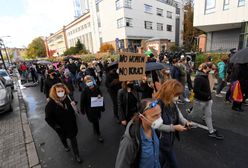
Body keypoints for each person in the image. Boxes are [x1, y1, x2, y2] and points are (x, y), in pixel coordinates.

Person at [154, 79, 192, 168]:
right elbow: (156, 125)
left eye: (178, 95)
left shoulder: (172, 102)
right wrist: (174, 128)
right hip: (162, 141)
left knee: (162, 159)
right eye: (176, 95)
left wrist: (186, 122)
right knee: (172, 163)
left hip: (169, 140)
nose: (178, 98)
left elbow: (178, 114)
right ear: (168, 92)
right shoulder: (158, 105)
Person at [115, 98, 162, 168]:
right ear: (142, 117)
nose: (159, 119)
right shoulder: (130, 141)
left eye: (160, 114)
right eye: (155, 116)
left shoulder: (155, 128)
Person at [45, 83, 82, 163]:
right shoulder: (50, 104)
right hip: (61, 127)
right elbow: (48, 118)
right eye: (58, 91)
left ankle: (77, 155)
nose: (61, 92)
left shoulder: (67, 97)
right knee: (63, 138)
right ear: (55, 92)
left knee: (73, 140)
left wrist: (74, 103)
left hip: (71, 124)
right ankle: (65, 145)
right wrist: (56, 126)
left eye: (62, 90)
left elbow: (71, 103)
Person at [188, 63, 224, 139]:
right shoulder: (199, 77)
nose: (211, 70)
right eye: (210, 68)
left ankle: (211, 132)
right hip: (200, 101)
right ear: (205, 68)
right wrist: (206, 95)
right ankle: (185, 122)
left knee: (208, 116)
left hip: (207, 100)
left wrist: (209, 97)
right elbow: (196, 90)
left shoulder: (206, 76)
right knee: (193, 115)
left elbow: (207, 88)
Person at [80, 75, 105, 142]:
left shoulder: (96, 88)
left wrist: (100, 96)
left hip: (97, 107)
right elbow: (82, 101)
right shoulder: (85, 91)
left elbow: (101, 95)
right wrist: (82, 110)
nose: (89, 82)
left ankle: (95, 129)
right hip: (90, 109)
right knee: (95, 121)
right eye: (87, 81)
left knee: (96, 120)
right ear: (85, 83)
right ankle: (98, 134)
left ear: (92, 81)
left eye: (90, 81)